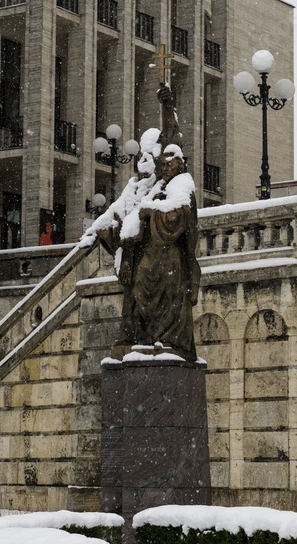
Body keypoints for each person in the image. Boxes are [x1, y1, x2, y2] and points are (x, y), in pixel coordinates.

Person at [90, 85, 200, 361]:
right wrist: (99, 230)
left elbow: (177, 215)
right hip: (142, 255)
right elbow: (118, 212)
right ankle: (142, 337)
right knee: (139, 291)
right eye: (143, 157)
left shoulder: (173, 184)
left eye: (152, 158)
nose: (146, 163)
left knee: (169, 293)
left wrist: (167, 106)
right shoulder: (137, 187)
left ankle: (168, 339)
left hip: (166, 255)